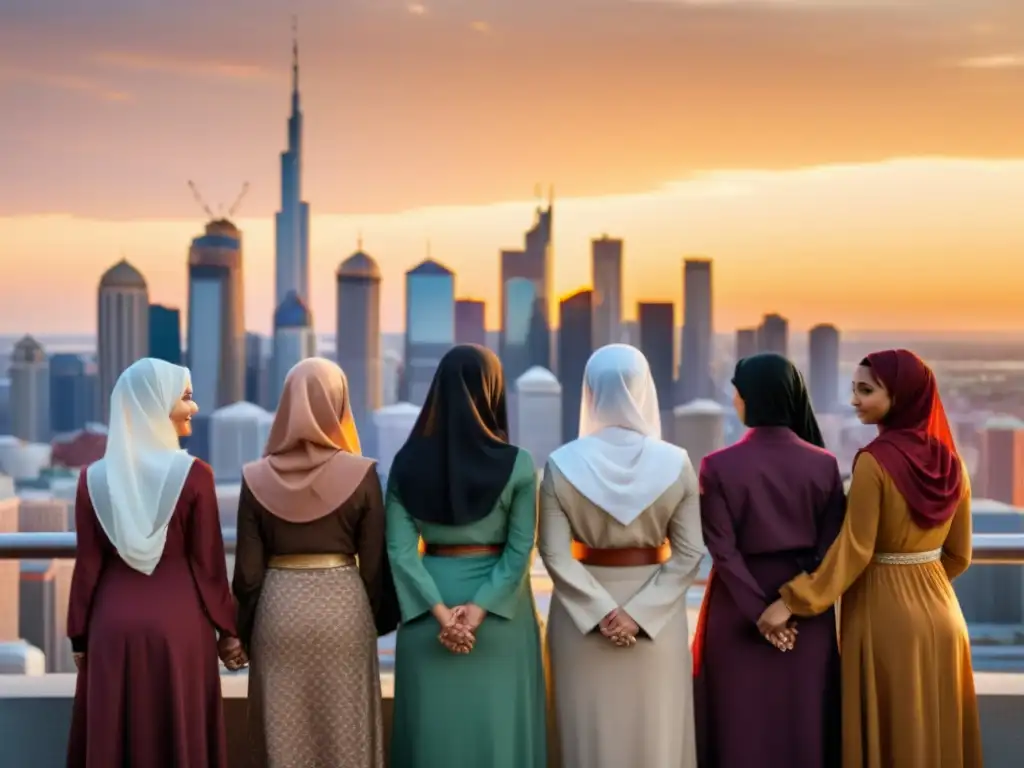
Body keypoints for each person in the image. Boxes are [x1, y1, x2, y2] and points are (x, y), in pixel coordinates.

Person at [759, 349, 982, 768]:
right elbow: (960, 555)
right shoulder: (954, 464)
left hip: (884, 616)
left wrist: (791, 601)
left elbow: (855, 549)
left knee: (892, 738)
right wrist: (920, 580)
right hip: (945, 616)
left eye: (866, 390)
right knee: (934, 736)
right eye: (854, 389)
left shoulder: (874, 463)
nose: (855, 400)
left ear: (900, 396)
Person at [66, 358, 243, 768]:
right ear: (155, 404)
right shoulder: (196, 475)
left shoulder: (92, 479)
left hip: (111, 629)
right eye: (185, 397)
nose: (193, 407)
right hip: (179, 631)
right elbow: (209, 566)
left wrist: (78, 635)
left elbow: (88, 568)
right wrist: (229, 630)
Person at [538, 344, 705, 768]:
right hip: (659, 618)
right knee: (657, 735)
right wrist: (640, 614)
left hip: (581, 622)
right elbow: (688, 552)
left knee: (589, 740)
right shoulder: (676, 462)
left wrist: (600, 612)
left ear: (589, 391)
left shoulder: (561, 464)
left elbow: (554, 554)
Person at [385, 344, 547, 768]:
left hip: (427, 616)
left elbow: (399, 553)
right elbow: (519, 550)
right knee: (499, 738)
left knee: (432, 742)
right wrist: (476, 612)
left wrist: (442, 615)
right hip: (499, 617)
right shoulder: (520, 465)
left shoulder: (405, 463)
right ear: (492, 392)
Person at [232, 358, 398, 768]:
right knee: (345, 736)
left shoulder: (255, 478)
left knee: (283, 737)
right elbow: (375, 566)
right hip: (343, 611)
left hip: (279, 613)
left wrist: (239, 633)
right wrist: (374, 621)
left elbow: (248, 576)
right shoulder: (362, 476)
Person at [693, 353, 844, 768]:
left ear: (749, 399)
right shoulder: (825, 464)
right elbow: (831, 549)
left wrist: (760, 613)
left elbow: (722, 550)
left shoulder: (717, 466)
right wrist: (790, 605)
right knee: (803, 725)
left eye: (736, 393)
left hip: (738, 610)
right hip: (806, 613)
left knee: (739, 728)